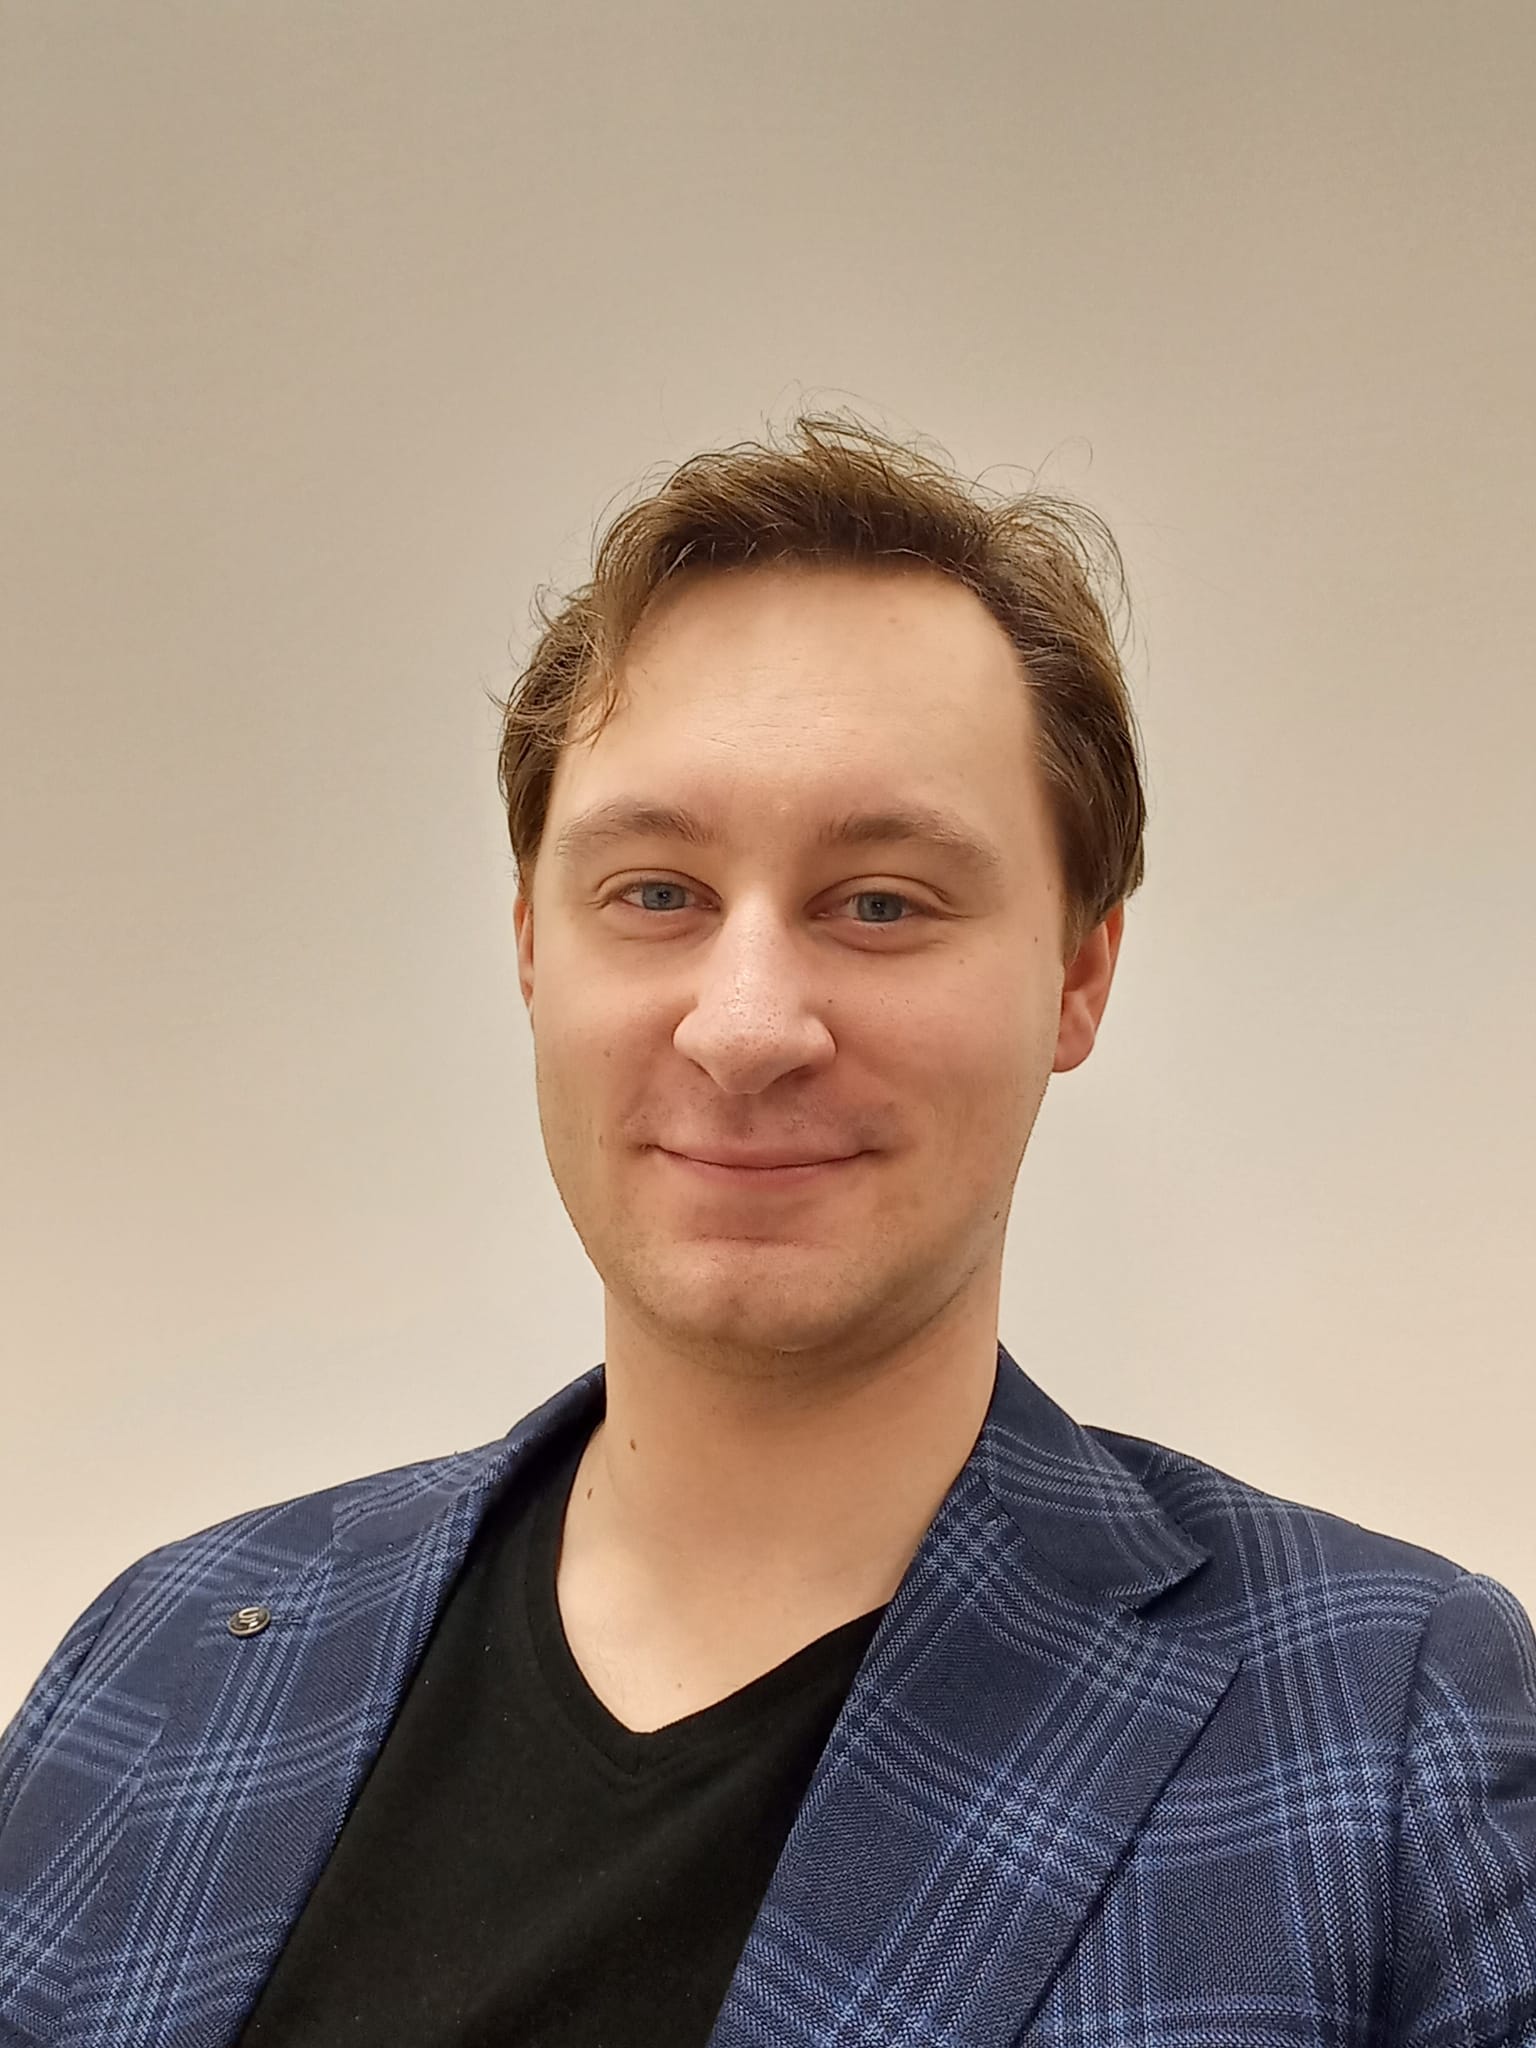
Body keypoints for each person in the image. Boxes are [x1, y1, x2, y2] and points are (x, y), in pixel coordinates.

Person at [2, 414, 1533, 2046]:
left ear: (1078, 976)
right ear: (532, 950)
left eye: (881, 902)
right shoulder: (165, 1659)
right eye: (655, 893)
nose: (744, 1026)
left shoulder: (1393, 1725)